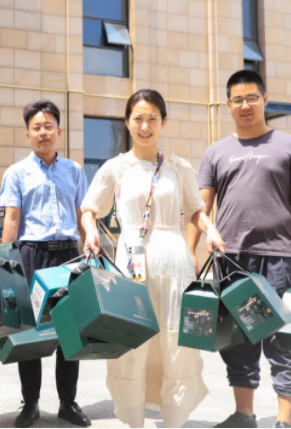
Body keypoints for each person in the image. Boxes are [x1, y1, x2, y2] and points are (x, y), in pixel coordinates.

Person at [187, 69, 291, 429]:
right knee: (237, 340)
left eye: (252, 97)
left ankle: (284, 421)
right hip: (231, 260)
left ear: (264, 100)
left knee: (283, 340)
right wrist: (189, 251)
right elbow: (199, 208)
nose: (245, 105)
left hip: (278, 257)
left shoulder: (290, 146)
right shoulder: (215, 153)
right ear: (228, 105)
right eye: (237, 99)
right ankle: (244, 415)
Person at [81, 89, 224, 428]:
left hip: (174, 263)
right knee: (131, 346)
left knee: (177, 343)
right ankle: (135, 423)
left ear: (163, 122)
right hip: (130, 266)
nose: (145, 126)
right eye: (138, 119)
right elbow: (90, 209)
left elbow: (195, 210)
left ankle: (174, 422)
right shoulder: (115, 168)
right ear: (127, 123)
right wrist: (90, 232)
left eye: (152, 119)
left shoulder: (178, 168)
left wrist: (211, 229)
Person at [0, 100, 91, 428]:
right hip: (31, 255)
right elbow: (12, 219)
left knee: (70, 330)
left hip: (68, 255)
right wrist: (5, 263)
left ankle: (68, 402)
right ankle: (31, 404)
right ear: (28, 134)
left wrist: (90, 247)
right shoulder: (16, 173)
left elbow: (82, 216)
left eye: (48, 126)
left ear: (59, 131)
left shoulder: (74, 171)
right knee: (31, 333)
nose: (43, 132)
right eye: (36, 127)